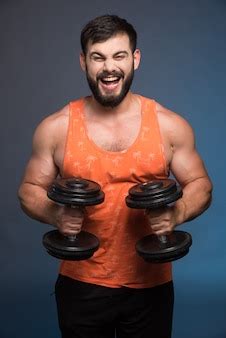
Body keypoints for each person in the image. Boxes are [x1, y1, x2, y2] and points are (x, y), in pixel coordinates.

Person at [18, 14, 212, 338]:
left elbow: (201, 185)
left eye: (119, 56)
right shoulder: (56, 128)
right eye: (98, 57)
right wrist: (55, 214)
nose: (109, 67)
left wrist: (176, 212)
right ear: (84, 62)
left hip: (151, 285)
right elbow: (29, 189)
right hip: (81, 285)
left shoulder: (168, 126)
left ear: (135, 58)